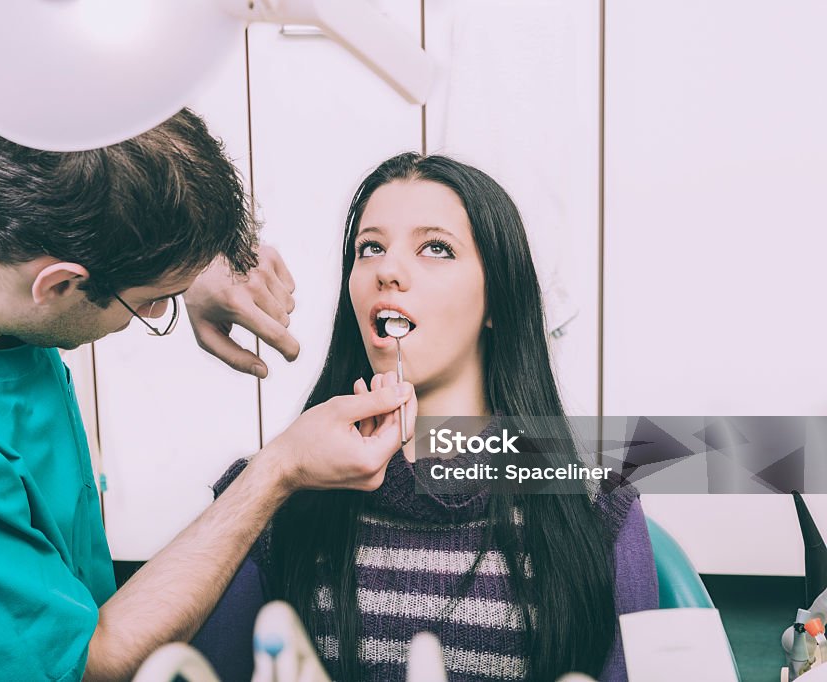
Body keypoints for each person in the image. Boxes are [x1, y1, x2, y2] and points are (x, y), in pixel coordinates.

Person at [0, 109, 416, 681]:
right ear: (61, 282)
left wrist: (187, 261)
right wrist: (277, 470)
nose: (158, 310)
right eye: (152, 302)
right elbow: (84, 663)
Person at [198, 152, 658, 681]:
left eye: (436, 248)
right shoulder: (266, 499)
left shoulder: (599, 507)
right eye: (370, 248)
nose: (386, 270)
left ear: (497, 303)